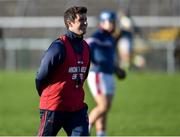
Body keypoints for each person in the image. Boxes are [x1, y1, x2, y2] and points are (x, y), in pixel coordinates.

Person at [35, 6, 90, 136]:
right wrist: (47, 96)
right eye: (81, 20)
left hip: (76, 108)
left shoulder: (86, 48)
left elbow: (84, 75)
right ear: (70, 23)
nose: (85, 23)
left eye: (86, 19)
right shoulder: (59, 47)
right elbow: (41, 76)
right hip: (54, 107)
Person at [86, 11, 126, 136]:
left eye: (114, 22)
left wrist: (116, 69)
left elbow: (109, 59)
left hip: (109, 74)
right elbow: (86, 47)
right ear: (103, 22)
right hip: (98, 74)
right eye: (111, 22)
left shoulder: (110, 38)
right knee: (103, 106)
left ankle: (101, 134)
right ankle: (83, 129)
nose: (114, 25)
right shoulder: (97, 37)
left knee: (105, 107)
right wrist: (90, 62)